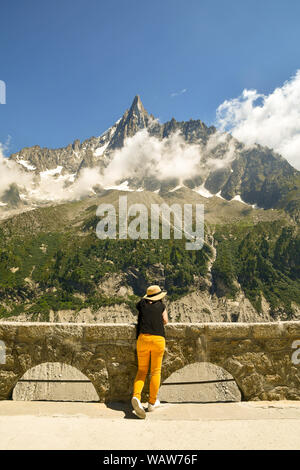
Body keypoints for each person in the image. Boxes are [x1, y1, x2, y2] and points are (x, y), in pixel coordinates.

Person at [131, 285, 168, 419]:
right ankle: (152, 402)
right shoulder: (161, 306)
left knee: (141, 371)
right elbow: (165, 321)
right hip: (158, 339)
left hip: (142, 339)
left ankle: (136, 396)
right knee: (155, 371)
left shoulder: (141, 304)